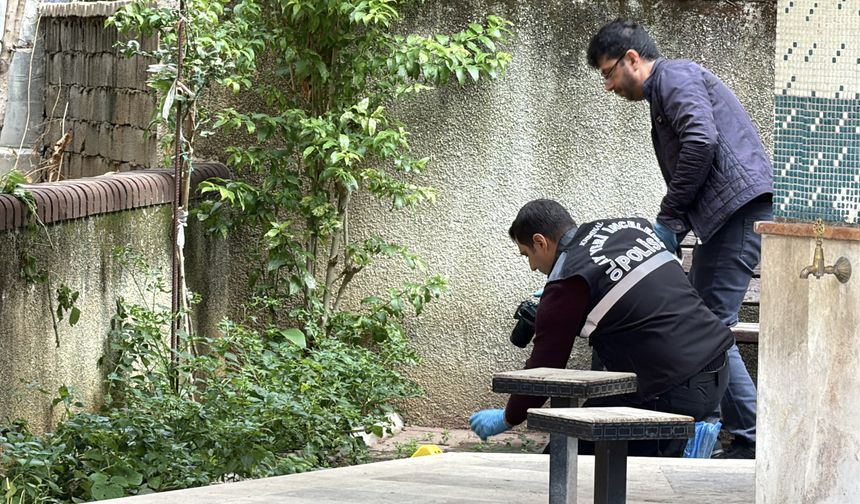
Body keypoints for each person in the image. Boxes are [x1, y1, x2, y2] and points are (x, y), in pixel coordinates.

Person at [585, 19, 773, 459]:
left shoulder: (675, 77)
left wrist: (668, 221)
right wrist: (668, 232)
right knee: (704, 327)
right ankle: (738, 434)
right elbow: (701, 163)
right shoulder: (666, 90)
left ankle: (753, 438)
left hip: (739, 215)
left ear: (633, 59)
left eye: (608, 73)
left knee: (710, 329)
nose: (608, 87)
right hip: (727, 217)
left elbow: (701, 141)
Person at [469, 199, 732, 456]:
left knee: (566, 458)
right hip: (716, 366)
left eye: (528, 255)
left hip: (672, 388)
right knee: (581, 439)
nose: (532, 266)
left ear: (540, 242)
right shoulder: (629, 228)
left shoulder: (567, 280)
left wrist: (508, 417)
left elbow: (544, 369)